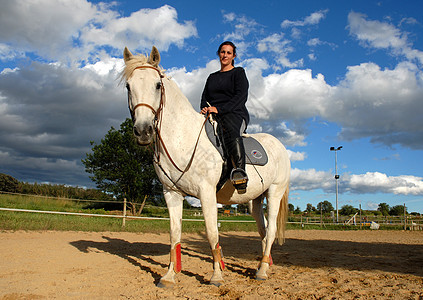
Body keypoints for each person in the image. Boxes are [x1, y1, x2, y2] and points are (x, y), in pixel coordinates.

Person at [200, 41, 249, 193]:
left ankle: (239, 173)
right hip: (213, 114)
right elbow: (204, 96)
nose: (225, 55)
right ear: (219, 54)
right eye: (222, 52)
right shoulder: (212, 77)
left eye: (228, 53)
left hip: (235, 113)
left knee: (231, 130)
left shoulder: (238, 73)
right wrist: (205, 109)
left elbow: (241, 96)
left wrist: (219, 109)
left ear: (234, 56)